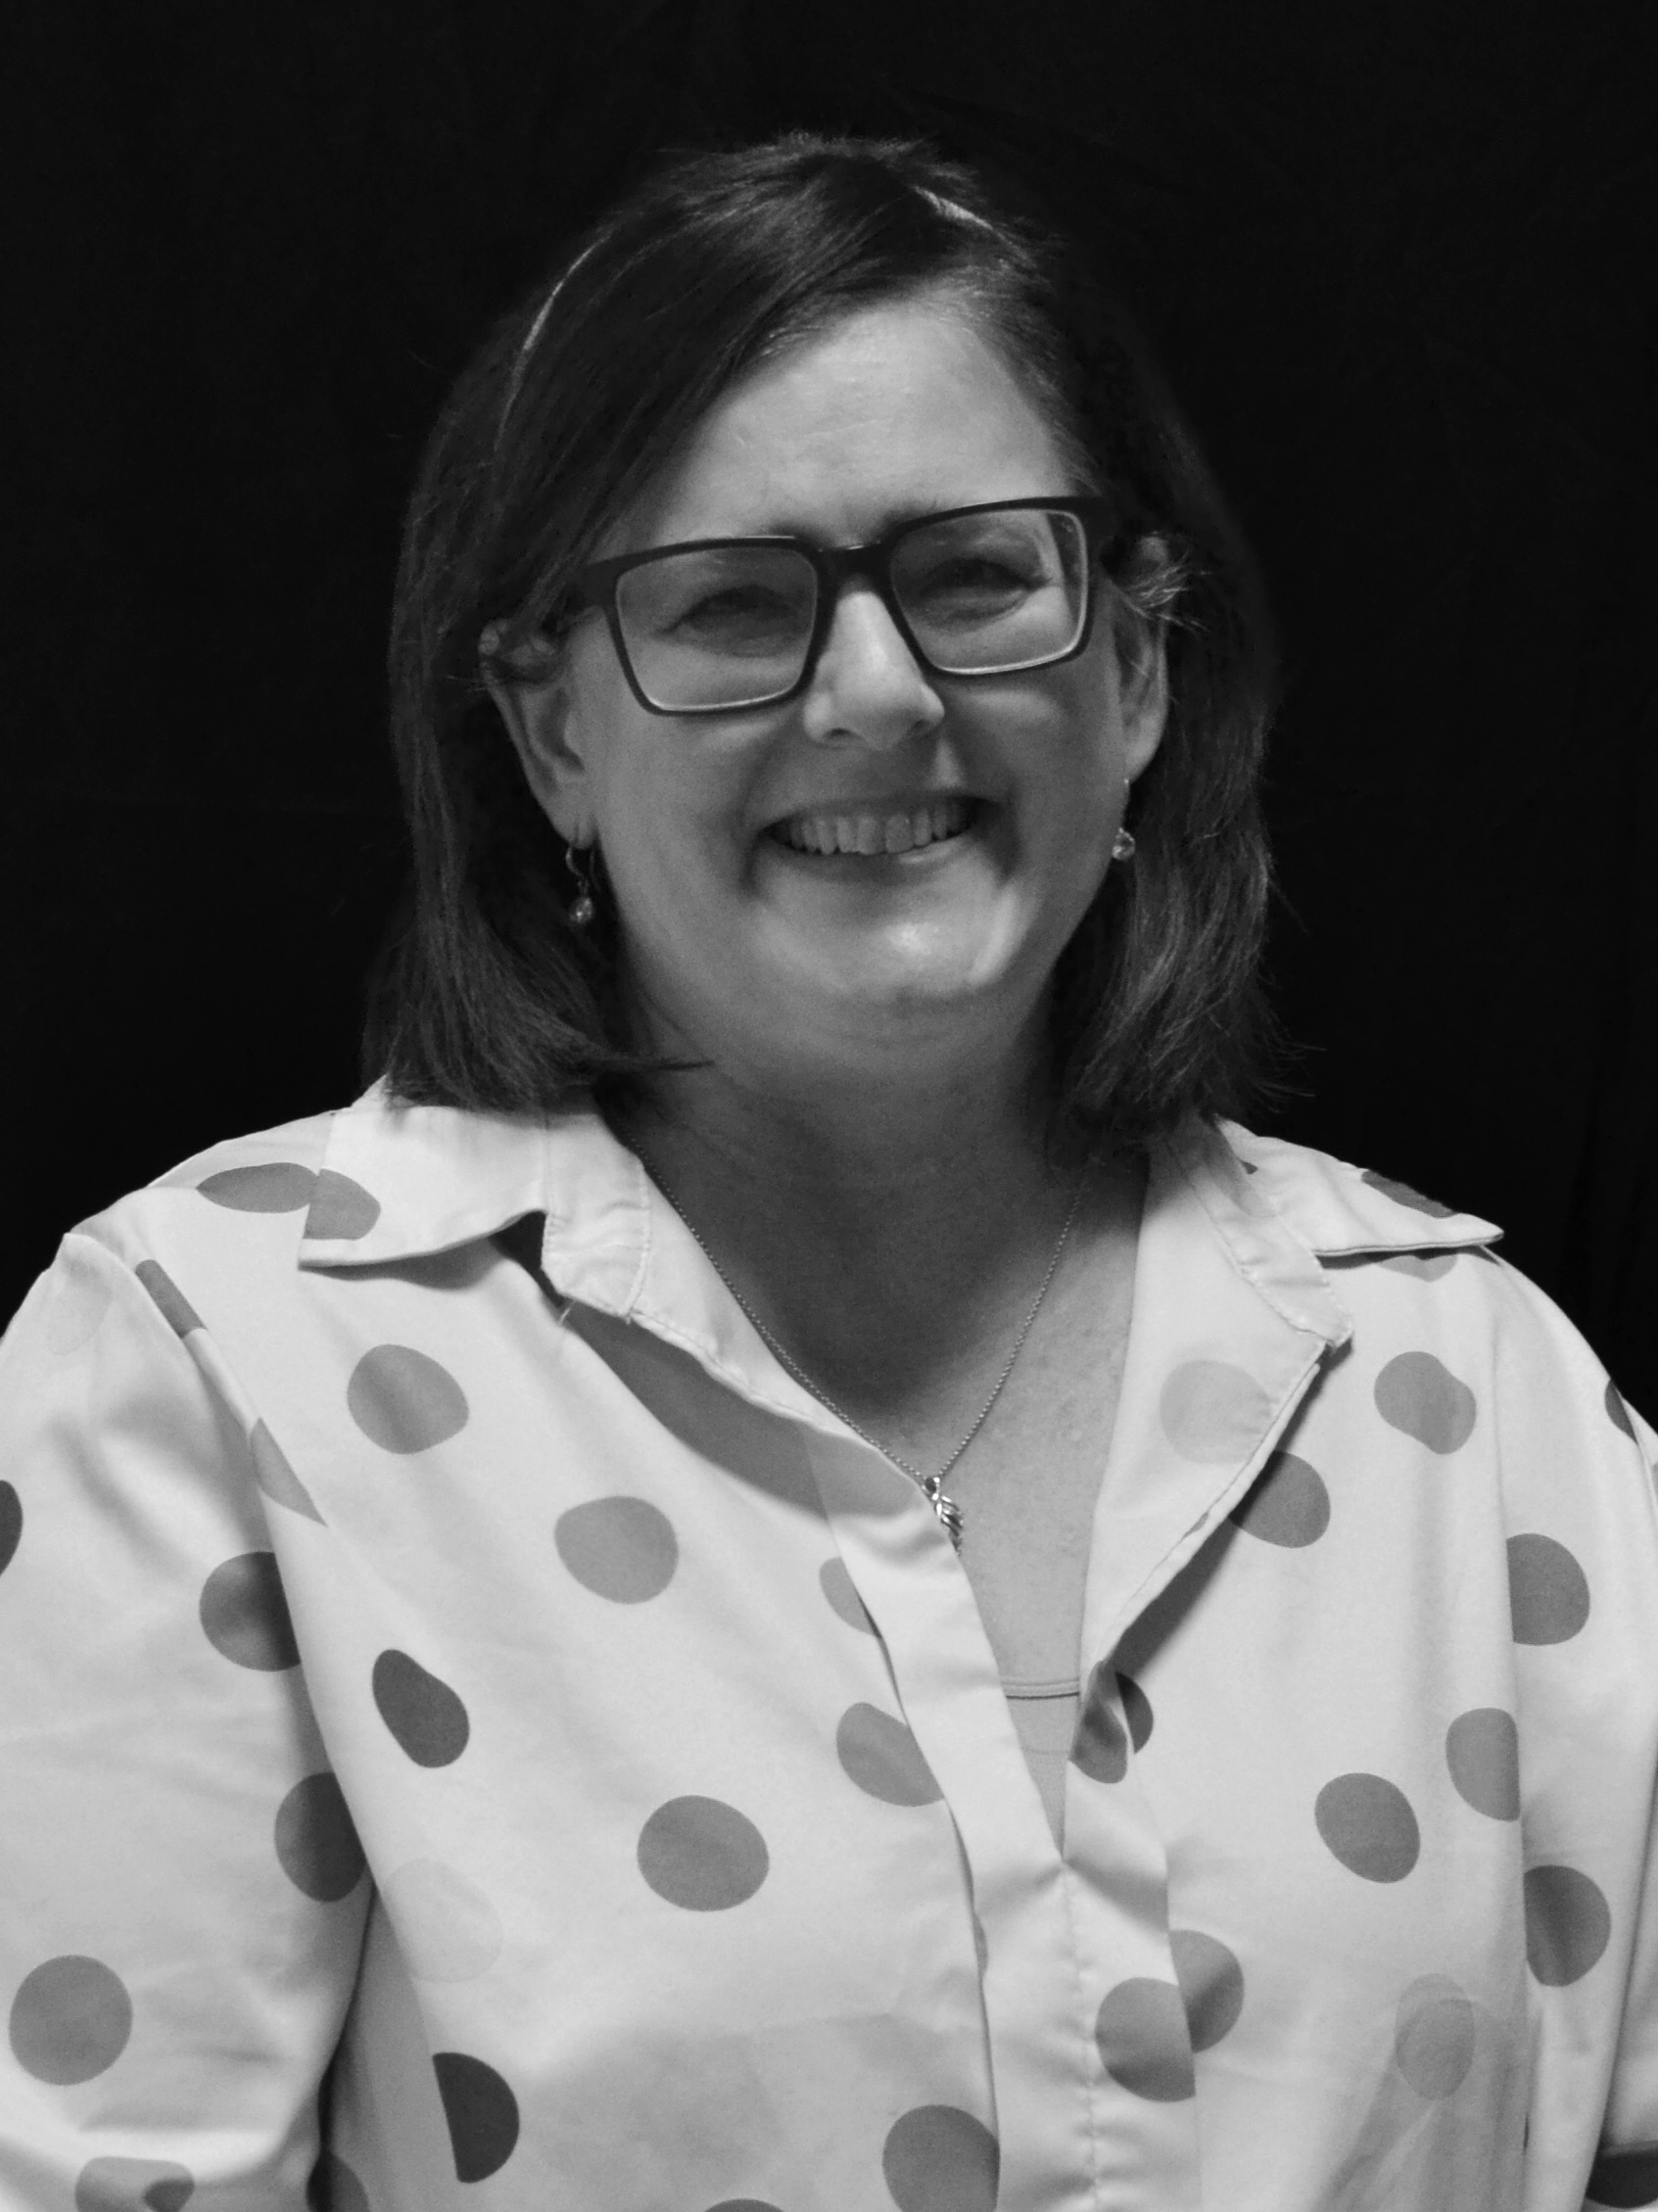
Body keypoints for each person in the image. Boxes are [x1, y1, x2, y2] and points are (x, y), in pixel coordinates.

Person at [1, 132, 1654, 2212]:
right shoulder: (211, 1368)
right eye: (731, 605)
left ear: (1135, 669)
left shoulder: (1484, 1397)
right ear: (550, 735)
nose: (876, 694)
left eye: (977, 576)